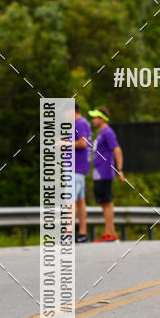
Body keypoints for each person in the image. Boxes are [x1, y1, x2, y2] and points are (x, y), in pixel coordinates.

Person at [88, 107, 125, 242]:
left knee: (107, 202)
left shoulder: (108, 132)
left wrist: (120, 169)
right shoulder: (101, 133)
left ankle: (109, 235)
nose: (93, 120)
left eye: (95, 117)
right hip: (98, 172)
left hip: (105, 172)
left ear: (102, 119)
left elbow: (117, 149)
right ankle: (111, 233)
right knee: (104, 203)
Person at [74, 103, 92, 243]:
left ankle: (67, 234)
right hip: (81, 168)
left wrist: (64, 143)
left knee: (71, 200)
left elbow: (83, 143)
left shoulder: (79, 123)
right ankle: (82, 233)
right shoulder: (84, 122)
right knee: (80, 201)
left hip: (76, 168)